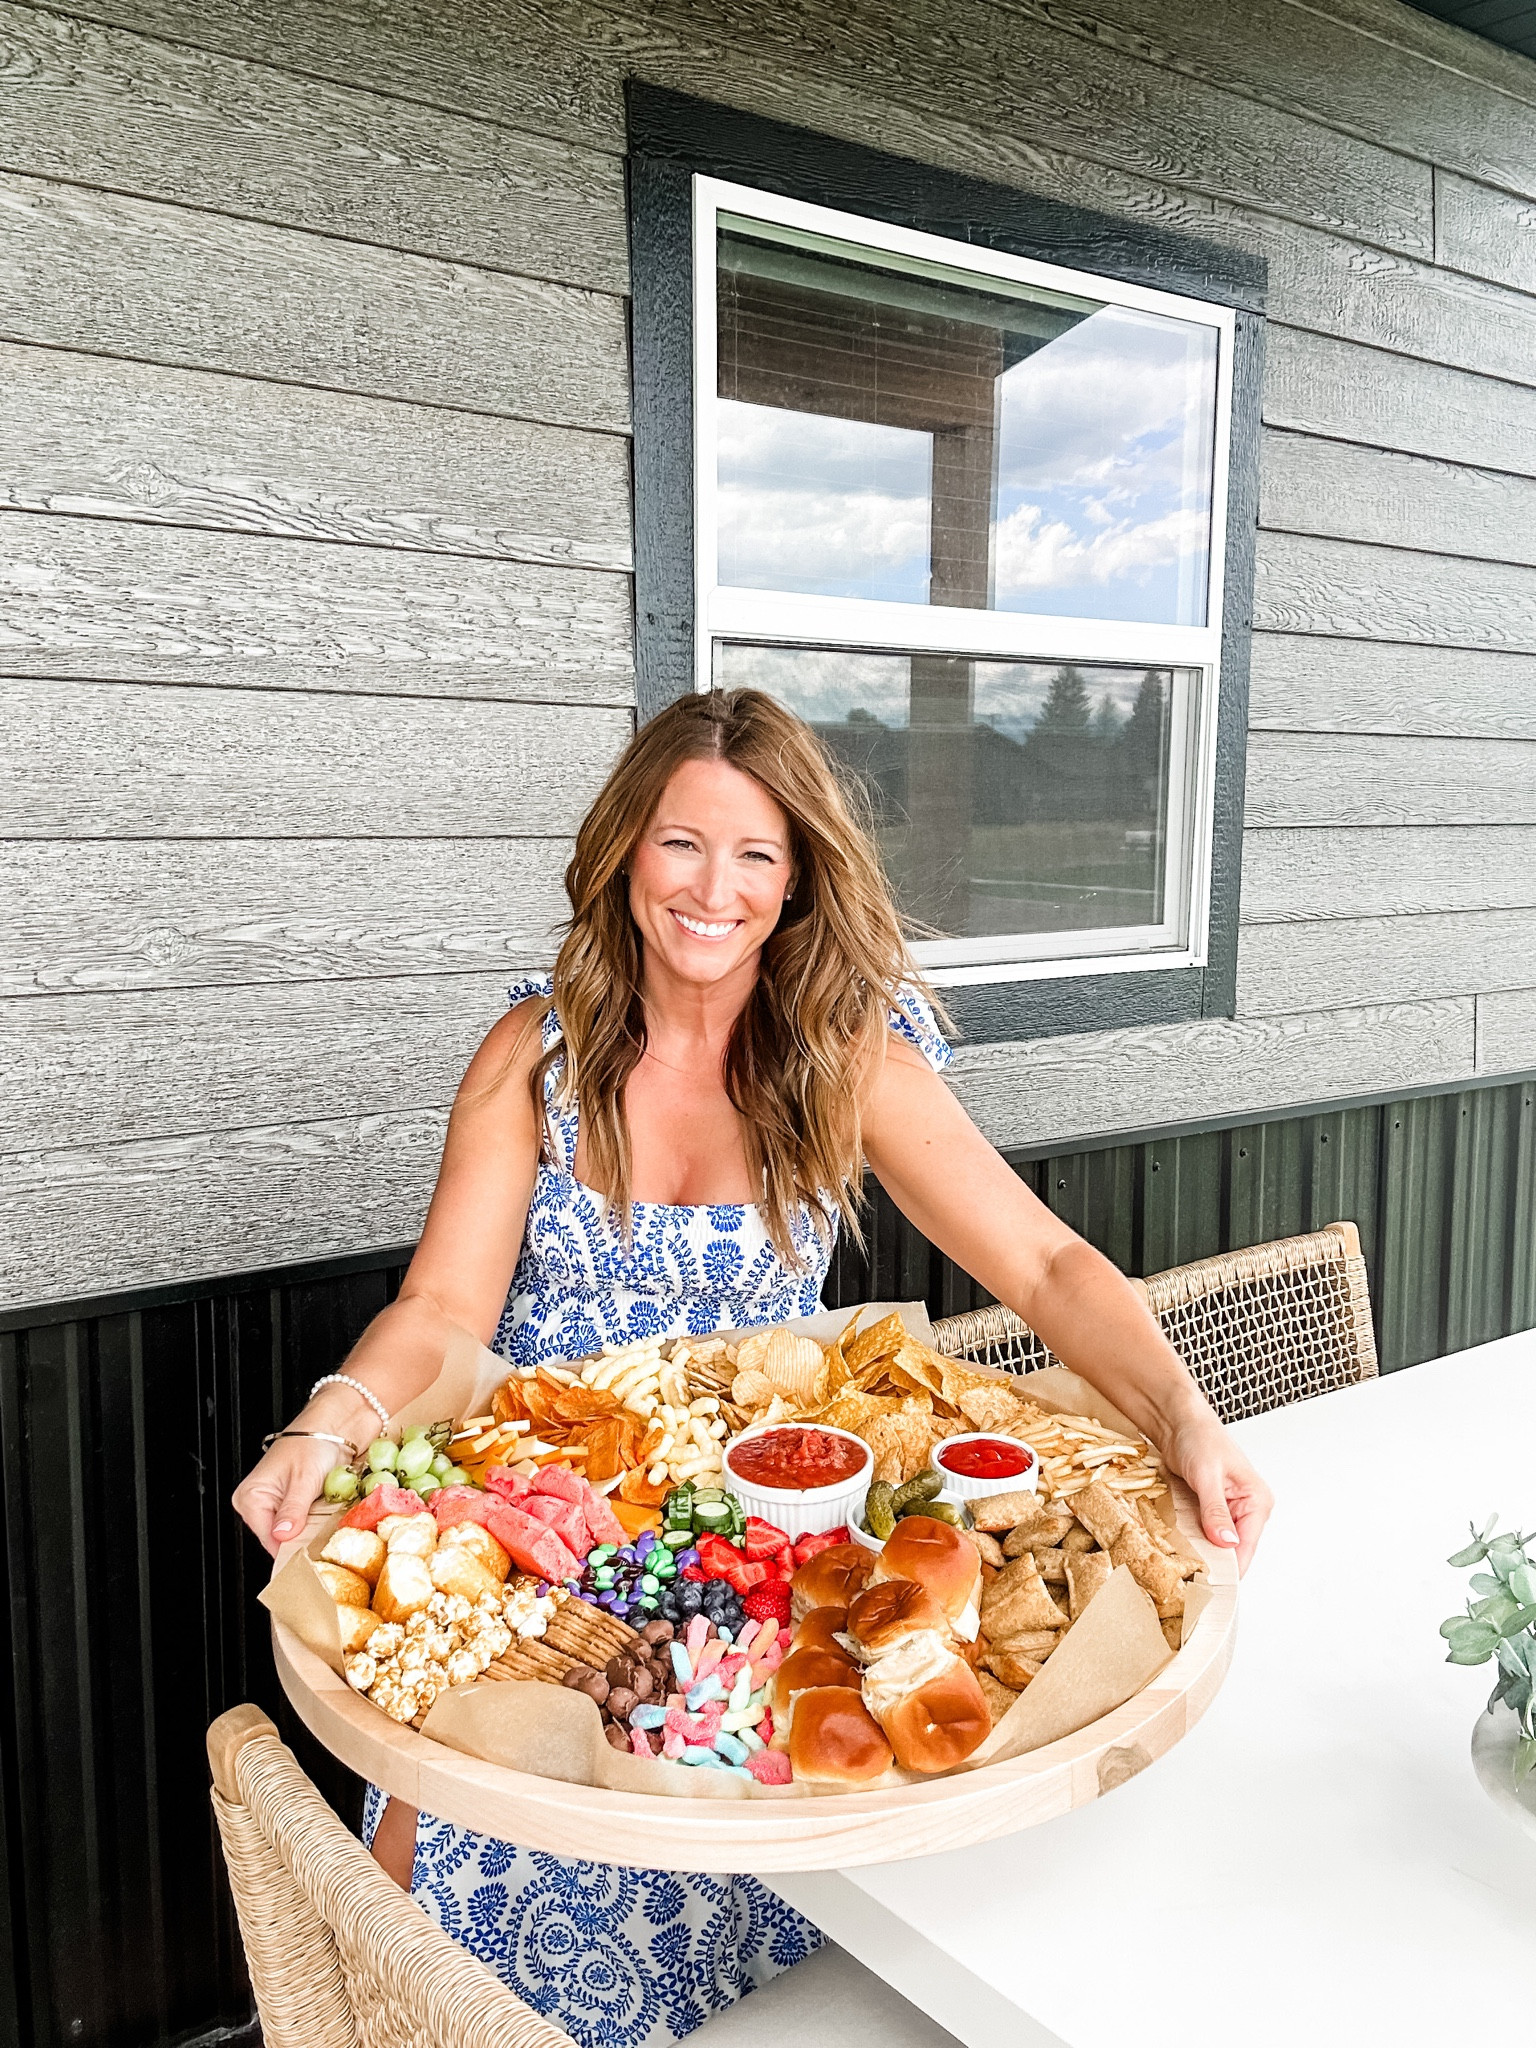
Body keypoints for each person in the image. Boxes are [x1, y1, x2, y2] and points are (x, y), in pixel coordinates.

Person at [234, 687, 1271, 2046]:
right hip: (540, 1548)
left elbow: (1047, 1269)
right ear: (625, 852)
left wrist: (1187, 1415)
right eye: (681, 843)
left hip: (756, 1570)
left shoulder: (847, 1063)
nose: (712, 889)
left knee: (763, 1940)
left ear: (796, 887)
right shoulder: (528, 1060)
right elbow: (440, 1309)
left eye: (756, 857)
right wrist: (333, 1419)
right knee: (454, 1926)